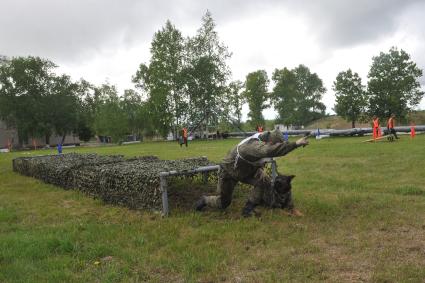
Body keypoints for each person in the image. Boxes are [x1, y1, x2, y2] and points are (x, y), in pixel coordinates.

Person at [194, 129, 309, 217]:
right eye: (276, 145)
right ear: (270, 141)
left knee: (263, 181)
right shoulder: (253, 146)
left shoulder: (263, 142)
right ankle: (205, 200)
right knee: (223, 203)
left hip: (247, 170)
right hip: (229, 172)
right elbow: (269, 151)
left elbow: (267, 154)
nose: (276, 147)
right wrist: (296, 144)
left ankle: (248, 209)